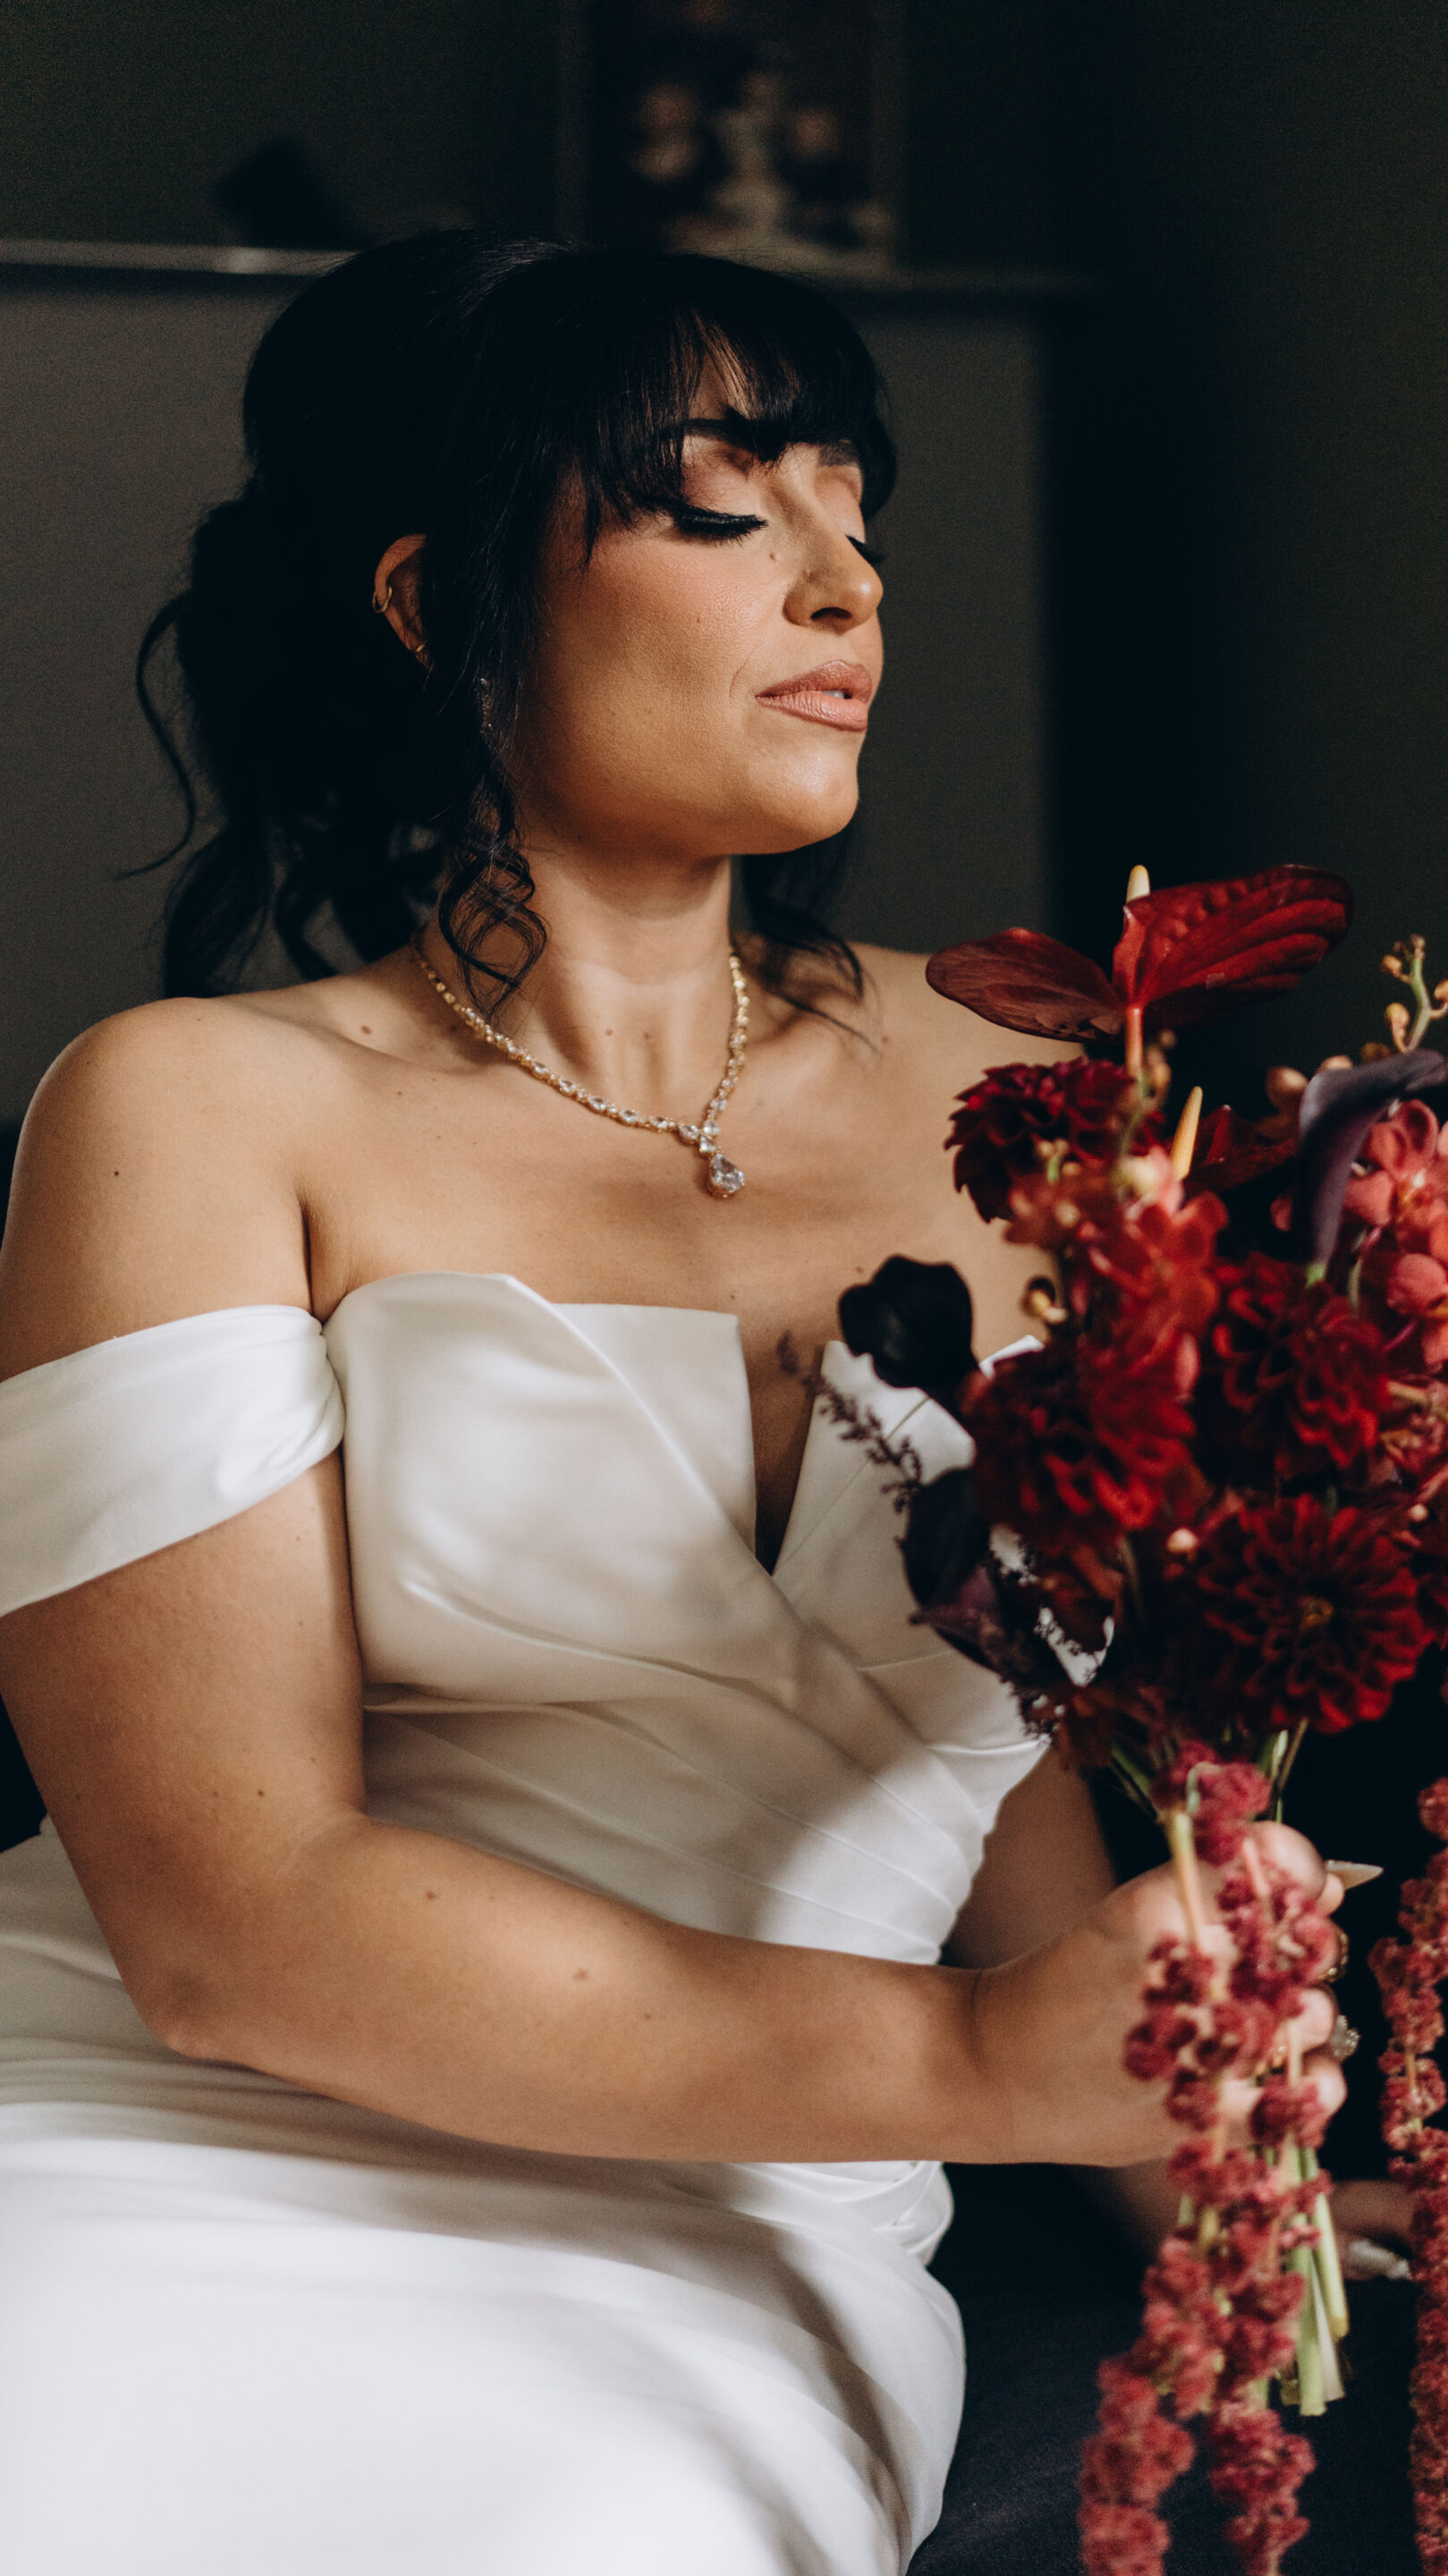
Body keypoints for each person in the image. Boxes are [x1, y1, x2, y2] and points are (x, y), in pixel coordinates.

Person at [0, 231, 1344, 2576]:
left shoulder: (1036, 1078)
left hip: (717, 2223)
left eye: (854, 499)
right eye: (726, 502)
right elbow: (232, 1921)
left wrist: (1226, 2187)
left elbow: (990, 1726)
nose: (845, 579)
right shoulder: (192, 1109)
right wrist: (980, 2072)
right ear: (438, 601)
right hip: (160, 2128)